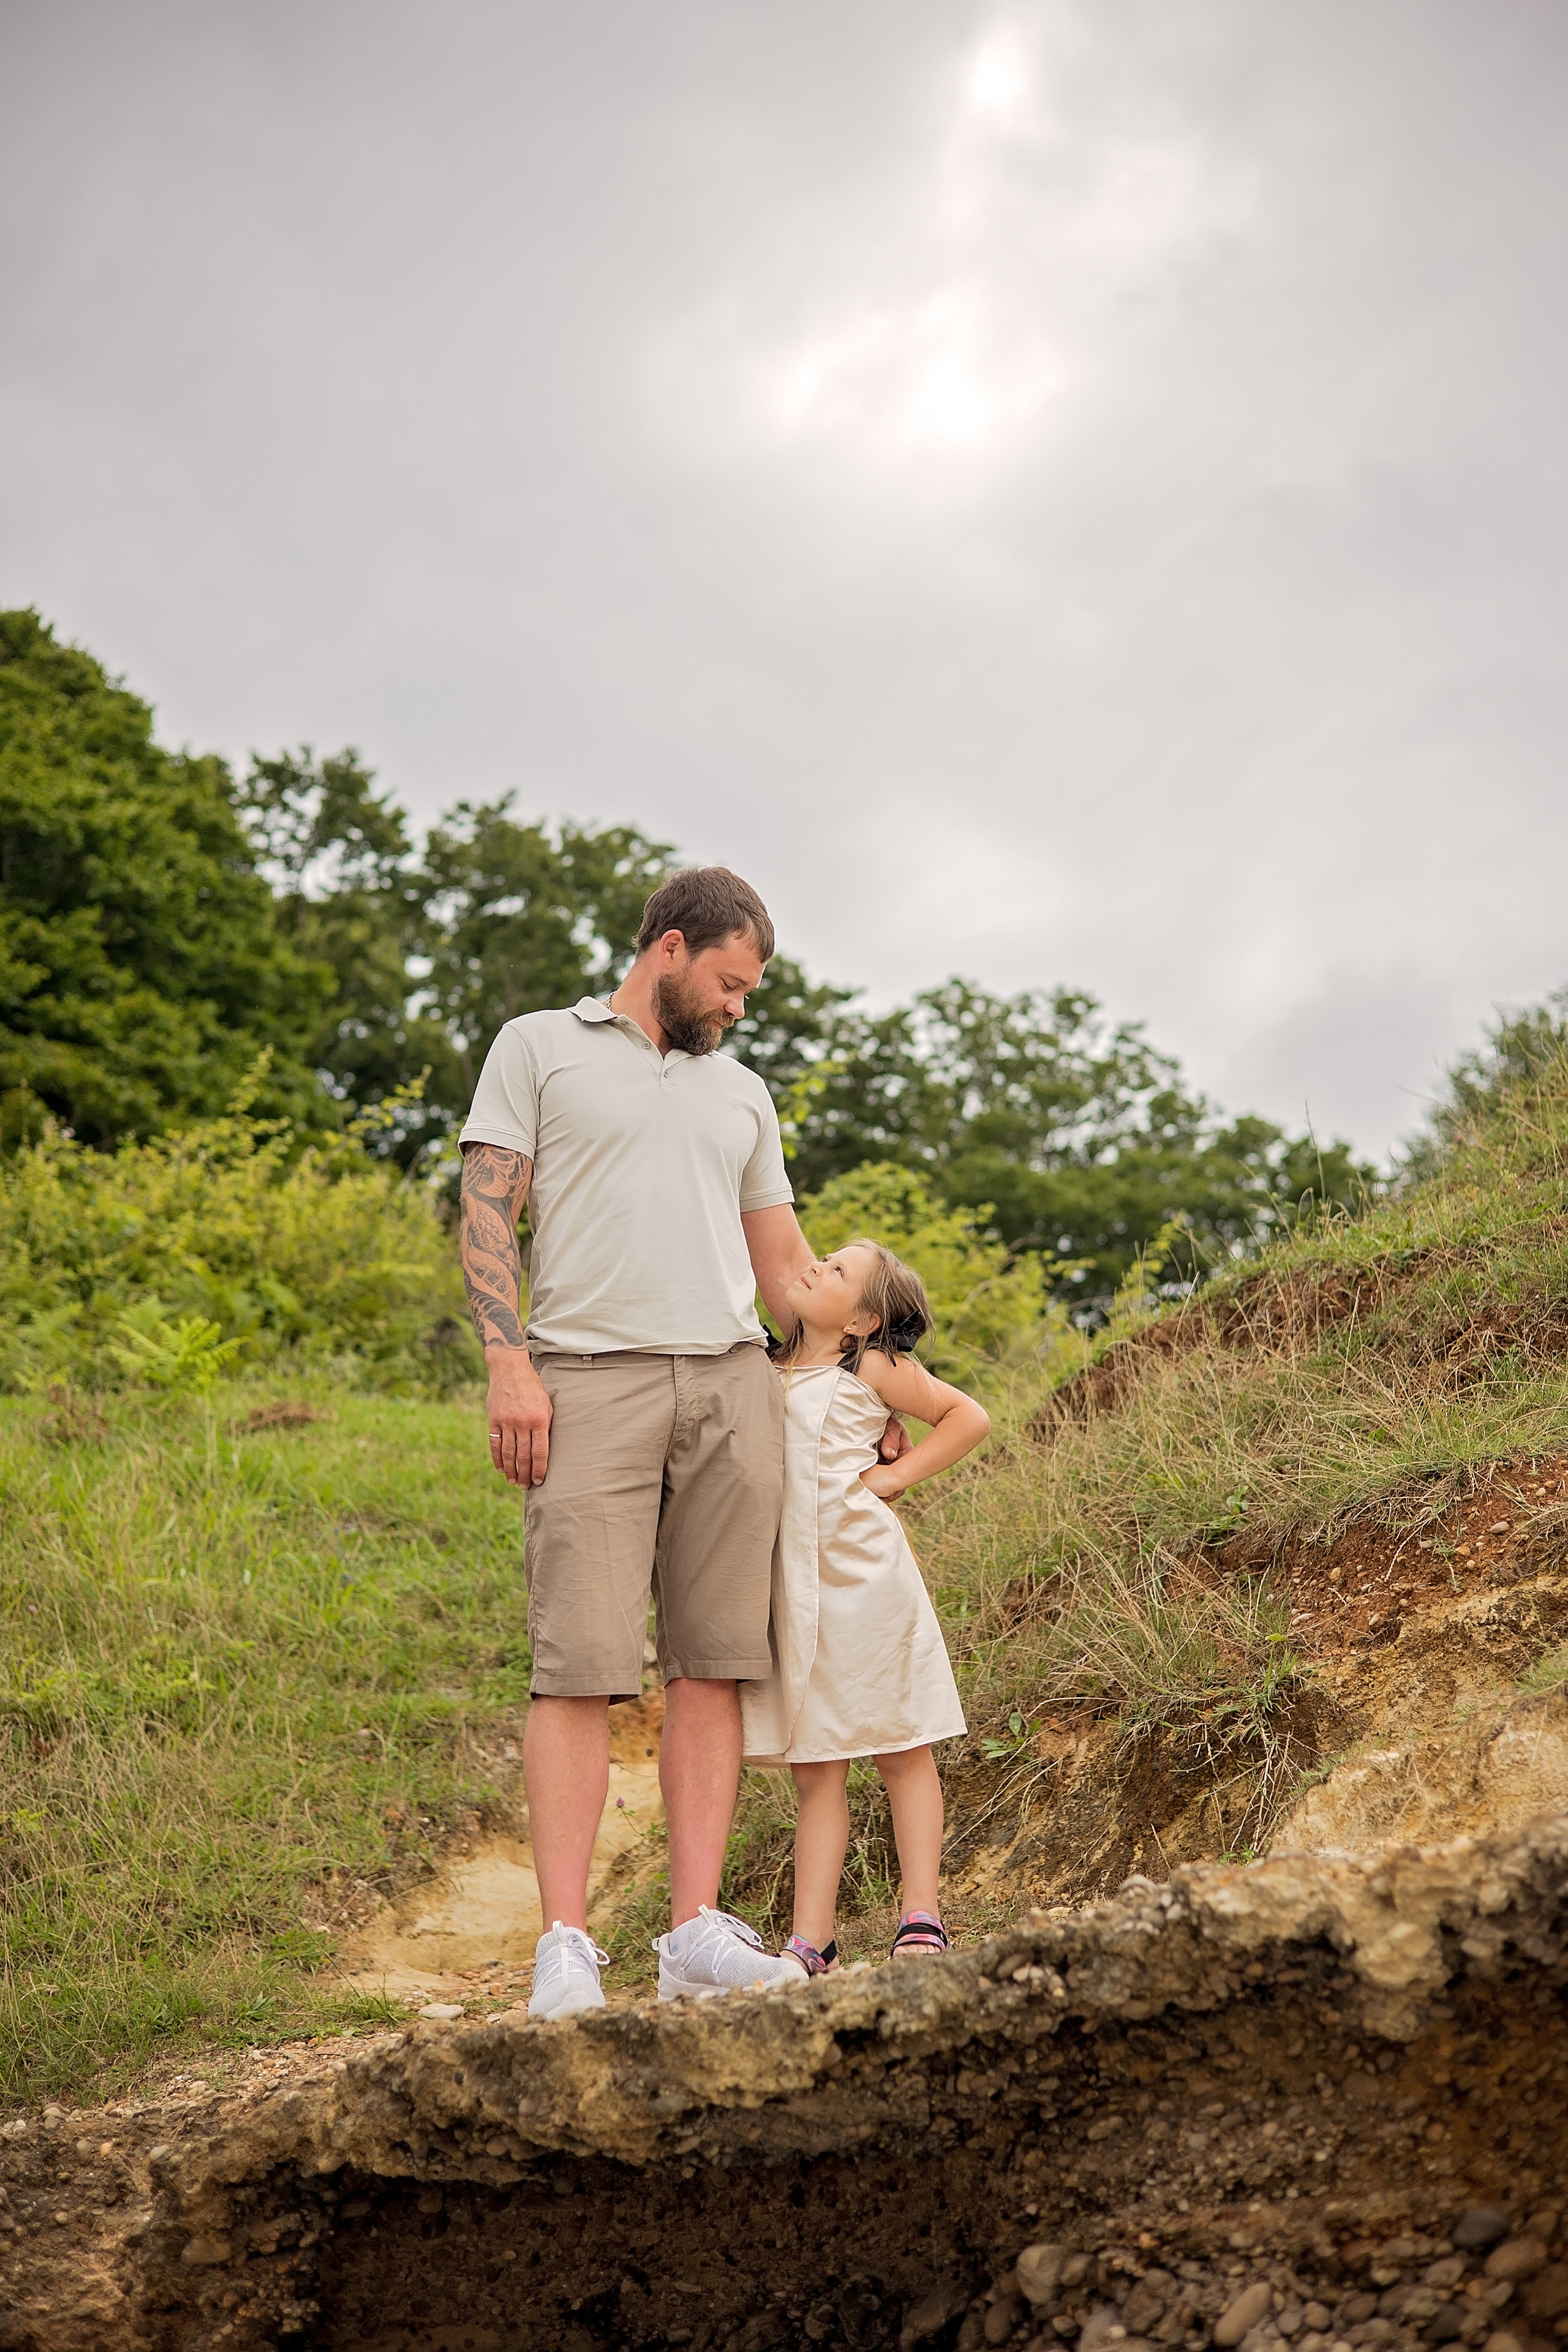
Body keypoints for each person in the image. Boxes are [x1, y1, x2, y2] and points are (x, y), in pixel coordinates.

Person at [457, 865, 904, 2019]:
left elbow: (785, 1265)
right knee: (579, 1667)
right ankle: (564, 1944)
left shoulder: (742, 1092)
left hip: (728, 1384)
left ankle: (692, 1931)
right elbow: (488, 1207)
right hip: (584, 1380)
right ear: (668, 948)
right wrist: (508, 1359)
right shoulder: (539, 1047)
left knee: (713, 1661)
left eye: (751, 992)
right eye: (729, 982)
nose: (739, 1008)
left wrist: (868, 1365)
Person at [741, 1241, 989, 1975]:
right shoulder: (765, 1363)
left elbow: (966, 1416)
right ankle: (810, 1937)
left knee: (900, 1743)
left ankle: (923, 1913)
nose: (816, 1266)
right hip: (792, 1587)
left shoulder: (870, 1366)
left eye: (837, 1271)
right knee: (816, 1765)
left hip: (864, 1578)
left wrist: (895, 1477)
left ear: (862, 1321)